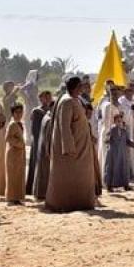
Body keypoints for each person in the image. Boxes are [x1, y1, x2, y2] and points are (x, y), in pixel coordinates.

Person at [45, 76, 97, 212]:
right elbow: (64, 125)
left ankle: (81, 202)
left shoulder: (75, 100)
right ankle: (66, 203)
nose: (82, 88)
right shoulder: (67, 101)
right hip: (74, 149)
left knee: (82, 175)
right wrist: (68, 146)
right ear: (75, 87)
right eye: (80, 86)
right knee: (69, 176)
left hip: (81, 146)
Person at [26, 91, 52, 195]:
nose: (47, 99)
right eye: (45, 97)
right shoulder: (37, 111)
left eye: (49, 97)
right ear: (40, 99)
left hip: (48, 140)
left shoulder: (51, 110)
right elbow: (35, 130)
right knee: (36, 164)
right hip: (38, 141)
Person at [104, 114, 134, 192]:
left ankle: (126, 185)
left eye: (121, 121)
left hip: (122, 154)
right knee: (112, 169)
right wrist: (108, 138)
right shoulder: (111, 130)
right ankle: (109, 186)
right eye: (118, 121)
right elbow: (105, 141)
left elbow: (127, 141)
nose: (120, 123)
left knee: (124, 169)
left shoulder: (124, 131)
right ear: (114, 122)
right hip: (113, 154)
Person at [98, 86, 121, 181]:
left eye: (116, 94)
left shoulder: (113, 105)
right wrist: (110, 136)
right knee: (106, 156)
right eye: (113, 94)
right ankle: (106, 178)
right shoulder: (107, 105)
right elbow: (107, 122)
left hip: (112, 132)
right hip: (108, 133)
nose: (115, 96)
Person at [5, 104, 27, 205]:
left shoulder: (19, 123)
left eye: (20, 112)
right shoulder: (12, 124)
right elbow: (8, 138)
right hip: (13, 153)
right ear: (13, 113)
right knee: (13, 176)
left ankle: (17, 197)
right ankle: (12, 197)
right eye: (17, 112)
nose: (19, 114)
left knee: (18, 175)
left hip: (19, 153)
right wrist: (20, 144)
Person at [32, 104, 54, 201]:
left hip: (43, 148)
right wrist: (48, 150)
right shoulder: (49, 119)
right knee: (44, 173)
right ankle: (42, 193)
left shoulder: (46, 117)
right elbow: (47, 137)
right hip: (46, 149)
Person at [118, 86, 134, 179]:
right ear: (125, 92)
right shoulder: (121, 101)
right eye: (128, 92)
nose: (130, 94)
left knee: (130, 150)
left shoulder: (132, 100)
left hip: (131, 127)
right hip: (124, 127)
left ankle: (130, 171)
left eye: (131, 92)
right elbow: (121, 114)